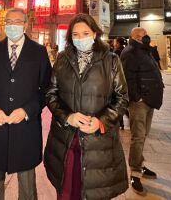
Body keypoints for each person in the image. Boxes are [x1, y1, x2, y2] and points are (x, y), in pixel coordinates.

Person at [44, 13, 129, 200]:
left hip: (98, 143)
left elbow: (121, 98)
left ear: (95, 34)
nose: (80, 38)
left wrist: (101, 121)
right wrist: (67, 116)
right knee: (66, 191)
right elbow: (51, 94)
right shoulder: (62, 59)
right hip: (65, 139)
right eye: (75, 35)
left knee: (95, 191)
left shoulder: (111, 60)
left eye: (85, 33)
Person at [0, 8, 51, 199]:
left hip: (26, 127)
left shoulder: (39, 52)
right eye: (9, 21)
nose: (12, 25)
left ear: (25, 25)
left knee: (27, 181)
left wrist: (27, 110)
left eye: (17, 21)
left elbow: (47, 90)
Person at [121, 27, 164, 196]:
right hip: (139, 102)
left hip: (150, 99)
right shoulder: (130, 52)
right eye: (143, 35)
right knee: (138, 136)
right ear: (136, 37)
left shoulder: (145, 51)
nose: (146, 37)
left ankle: (139, 163)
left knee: (144, 134)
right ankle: (135, 172)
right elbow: (126, 78)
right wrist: (137, 97)